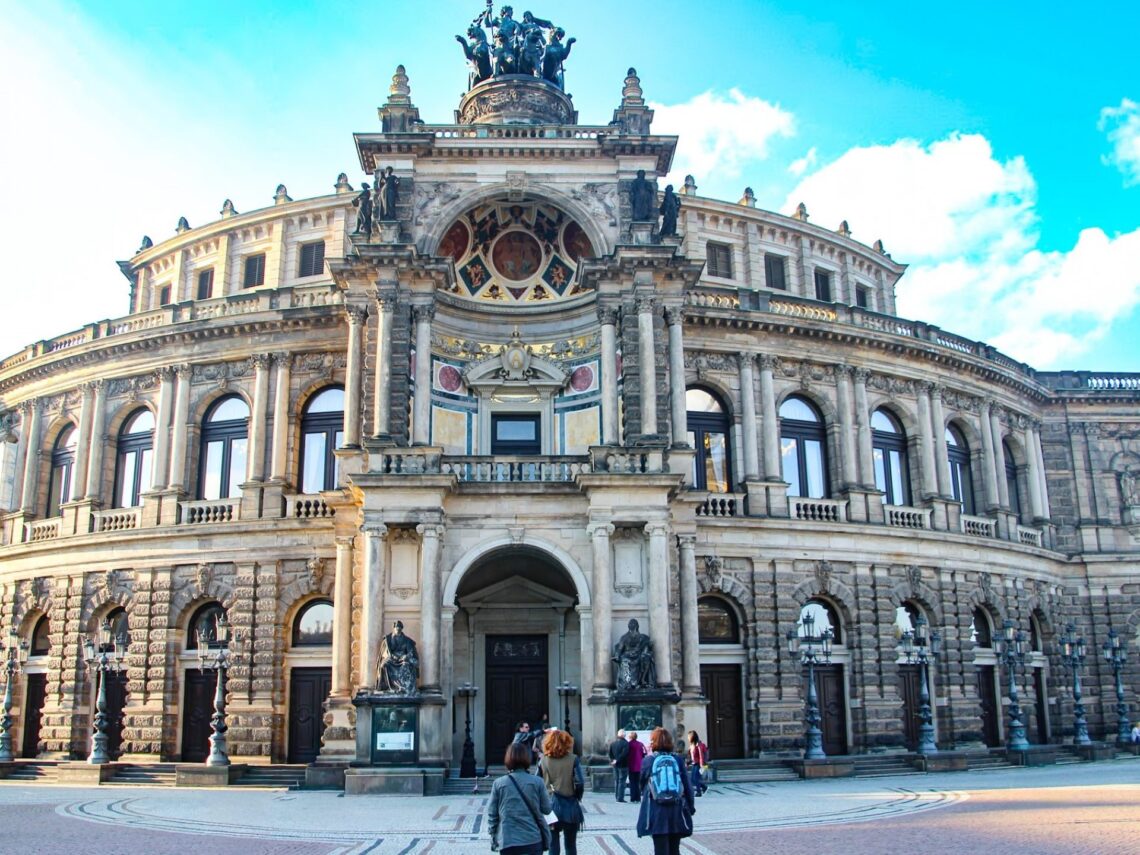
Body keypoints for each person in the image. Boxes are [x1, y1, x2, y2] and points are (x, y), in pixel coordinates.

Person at [636, 727, 695, 855]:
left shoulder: (648, 760)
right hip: (676, 809)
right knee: (675, 849)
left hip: (656, 810)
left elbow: (642, 784)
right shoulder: (678, 760)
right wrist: (690, 806)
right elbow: (687, 785)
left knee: (660, 850)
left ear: (653, 742)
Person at [488, 741, 552, 855]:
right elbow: (547, 809)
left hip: (508, 840)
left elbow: (493, 815)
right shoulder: (537, 782)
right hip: (532, 839)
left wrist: (493, 834)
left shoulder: (498, 783)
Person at [540, 728, 584, 855]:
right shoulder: (573, 759)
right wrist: (577, 796)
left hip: (550, 806)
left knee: (553, 845)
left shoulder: (543, 760)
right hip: (570, 806)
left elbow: (537, 782)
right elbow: (580, 782)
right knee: (570, 845)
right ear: (567, 743)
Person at [375, 620, 418, 694]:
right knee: (384, 665)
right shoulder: (387, 639)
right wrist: (391, 656)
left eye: (399, 629)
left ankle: (403, 688)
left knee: (406, 665)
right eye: (396, 628)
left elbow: (411, 652)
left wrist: (406, 656)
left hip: (403, 659)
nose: (398, 630)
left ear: (401, 629)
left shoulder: (407, 640)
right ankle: (386, 687)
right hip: (391, 659)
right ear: (393, 628)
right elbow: (384, 652)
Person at [613, 619, 657, 690]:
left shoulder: (643, 637)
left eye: (633, 625)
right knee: (624, 660)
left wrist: (647, 648)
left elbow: (646, 647)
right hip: (627, 656)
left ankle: (643, 679)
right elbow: (619, 649)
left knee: (646, 658)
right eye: (630, 625)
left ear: (637, 626)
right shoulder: (624, 637)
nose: (631, 626)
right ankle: (628, 683)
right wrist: (617, 656)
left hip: (639, 655)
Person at [608, 728, 630, 802]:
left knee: (617, 781)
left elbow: (610, 753)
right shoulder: (626, 743)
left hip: (615, 765)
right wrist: (617, 760)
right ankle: (620, 798)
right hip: (623, 765)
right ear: (624, 735)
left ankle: (616, 796)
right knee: (622, 782)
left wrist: (613, 760)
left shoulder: (613, 743)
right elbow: (624, 754)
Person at [685, 730, 709, 796]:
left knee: (696, 778)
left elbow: (701, 755)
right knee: (693, 779)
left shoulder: (698, 745)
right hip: (694, 763)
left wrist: (702, 765)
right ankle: (704, 787)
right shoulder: (691, 745)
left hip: (699, 764)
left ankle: (699, 792)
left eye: (688, 736)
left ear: (692, 737)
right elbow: (691, 756)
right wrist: (687, 763)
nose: (688, 738)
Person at [626, 730, 647, 802]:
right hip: (639, 766)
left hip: (631, 766)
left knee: (632, 782)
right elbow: (645, 753)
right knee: (638, 782)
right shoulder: (640, 744)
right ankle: (638, 798)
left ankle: (633, 798)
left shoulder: (628, 744)